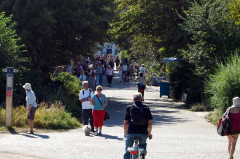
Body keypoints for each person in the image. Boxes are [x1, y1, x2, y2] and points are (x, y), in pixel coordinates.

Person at [123, 93, 153, 159]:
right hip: (143, 132)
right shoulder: (146, 108)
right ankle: (142, 155)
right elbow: (150, 123)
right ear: (141, 99)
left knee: (127, 149)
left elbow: (125, 123)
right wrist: (149, 133)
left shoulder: (129, 108)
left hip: (131, 132)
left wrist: (125, 133)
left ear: (133, 100)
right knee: (142, 146)